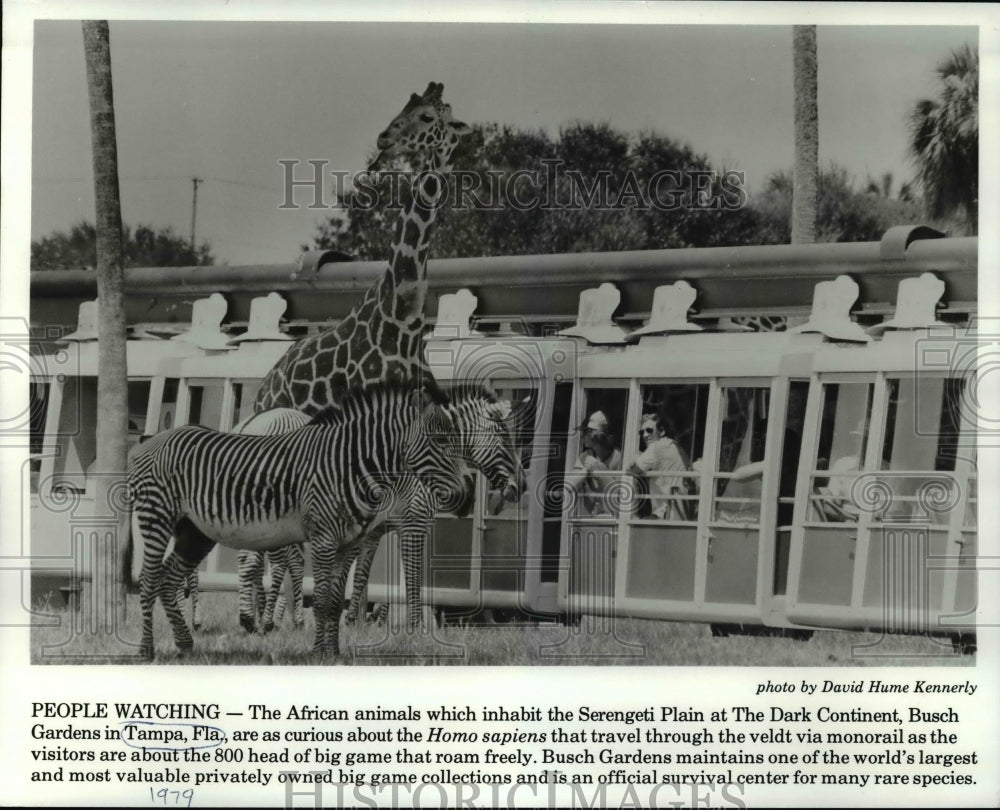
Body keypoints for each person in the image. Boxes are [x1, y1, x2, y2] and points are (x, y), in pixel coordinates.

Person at [628, 412, 691, 520]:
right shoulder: (675, 446)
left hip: (665, 514)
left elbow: (630, 471)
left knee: (633, 524)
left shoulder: (656, 447)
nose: (644, 435)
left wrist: (634, 459)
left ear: (661, 431)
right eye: (642, 432)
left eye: (649, 430)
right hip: (681, 513)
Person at [566, 410, 622, 515]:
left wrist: (599, 470)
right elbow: (568, 486)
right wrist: (586, 470)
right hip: (594, 517)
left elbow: (617, 495)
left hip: (614, 517)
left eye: (587, 432)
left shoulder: (619, 457)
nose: (582, 436)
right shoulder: (585, 456)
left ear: (599, 435)